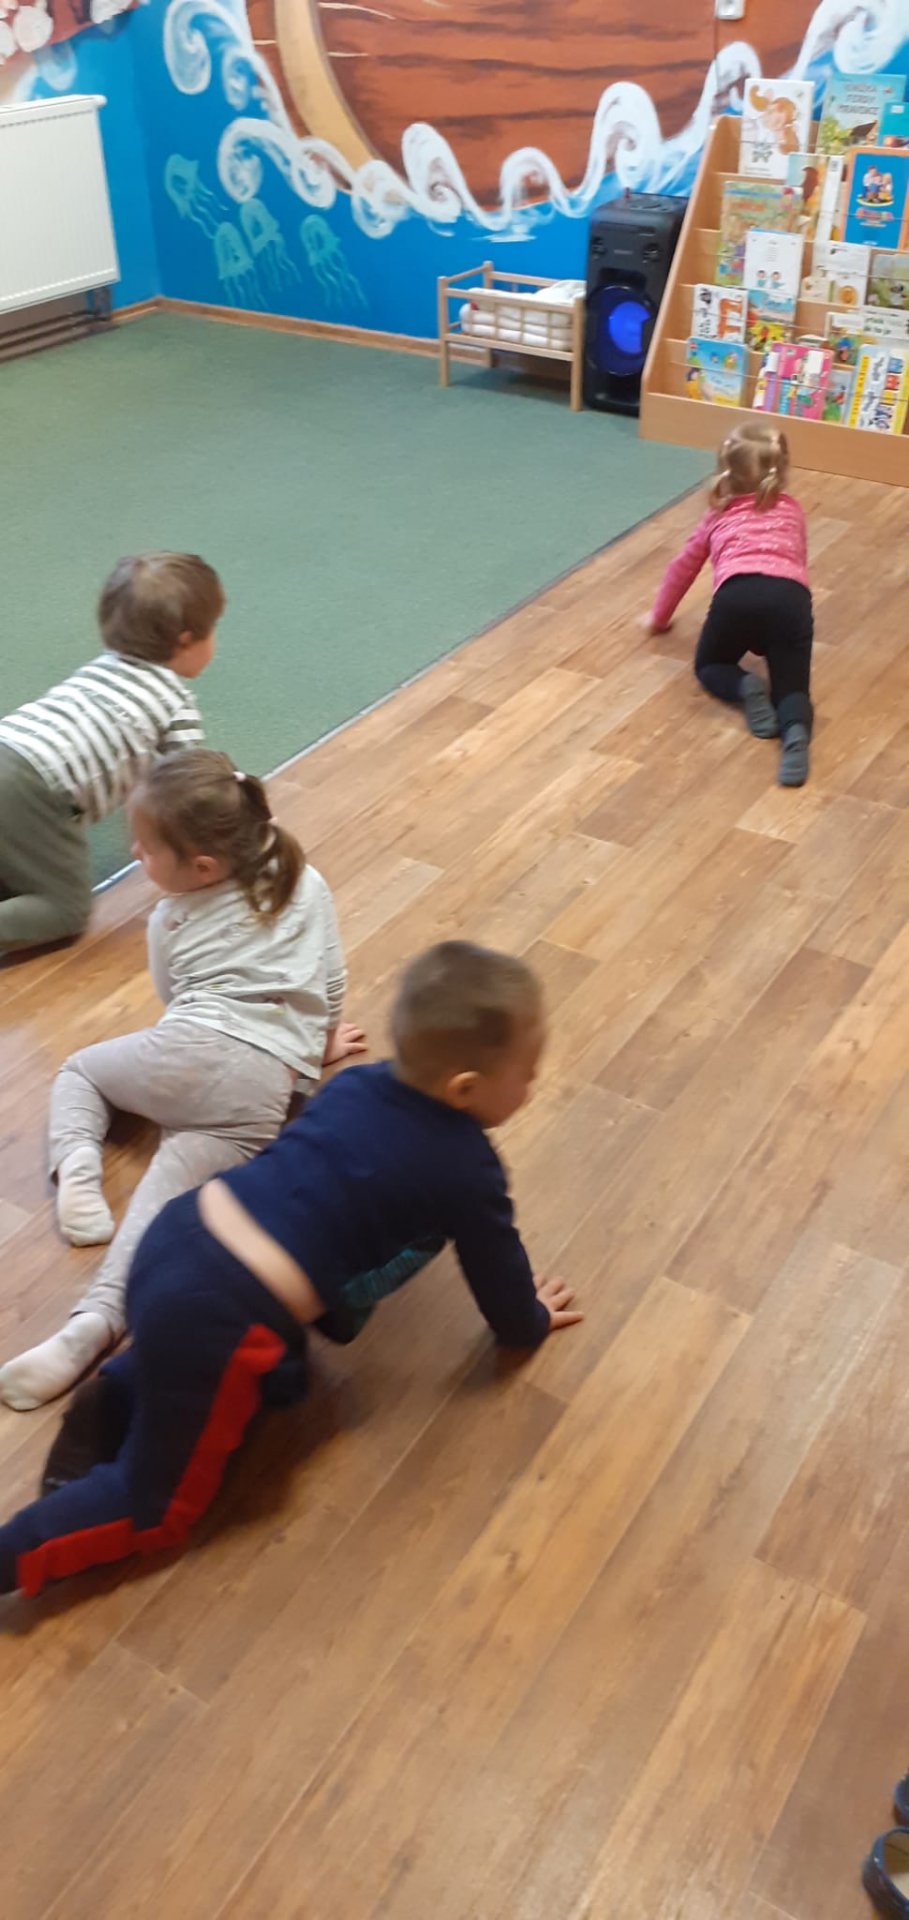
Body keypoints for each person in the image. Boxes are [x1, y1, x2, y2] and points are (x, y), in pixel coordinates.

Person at [0, 941, 581, 1598]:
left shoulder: (358, 1082)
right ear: (466, 1088)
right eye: (528, 1074)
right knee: (156, 1509)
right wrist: (530, 1319)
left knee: (259, 1374)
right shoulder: (469, 1170)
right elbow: (502, 1289)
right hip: (225, 1314)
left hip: (180, 1231)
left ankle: (127, 1388)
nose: (533, 1085)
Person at [0, 748, 364, 1412]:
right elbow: (332, 977)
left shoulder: (171, 916)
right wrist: (322, 1041)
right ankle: (94, 1324)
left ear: (202, 868)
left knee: (80, 1071)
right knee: (158, 1210)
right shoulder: (306, 880)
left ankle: (77, 1175)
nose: (133, 852)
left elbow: (173, 998)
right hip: (267, 1091)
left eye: (144, 849)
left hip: (193, 1050)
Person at [0, 552, 221, 953]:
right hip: (36, 790)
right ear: (186, 640)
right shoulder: (174, 703)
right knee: (65, 909)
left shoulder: (100, 668)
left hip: (10, 744)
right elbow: (188, 791)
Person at [642, 423, 813, 788]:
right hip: (790, 600)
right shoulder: (794, 511)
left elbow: (683, 568)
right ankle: (796, 733)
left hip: (736, 597)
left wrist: (659, 617)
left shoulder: (717, 516)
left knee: (710, 664)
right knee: (792, 688)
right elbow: (797, 559)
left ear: (724, 473)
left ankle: (744, 686)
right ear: (782, 471)